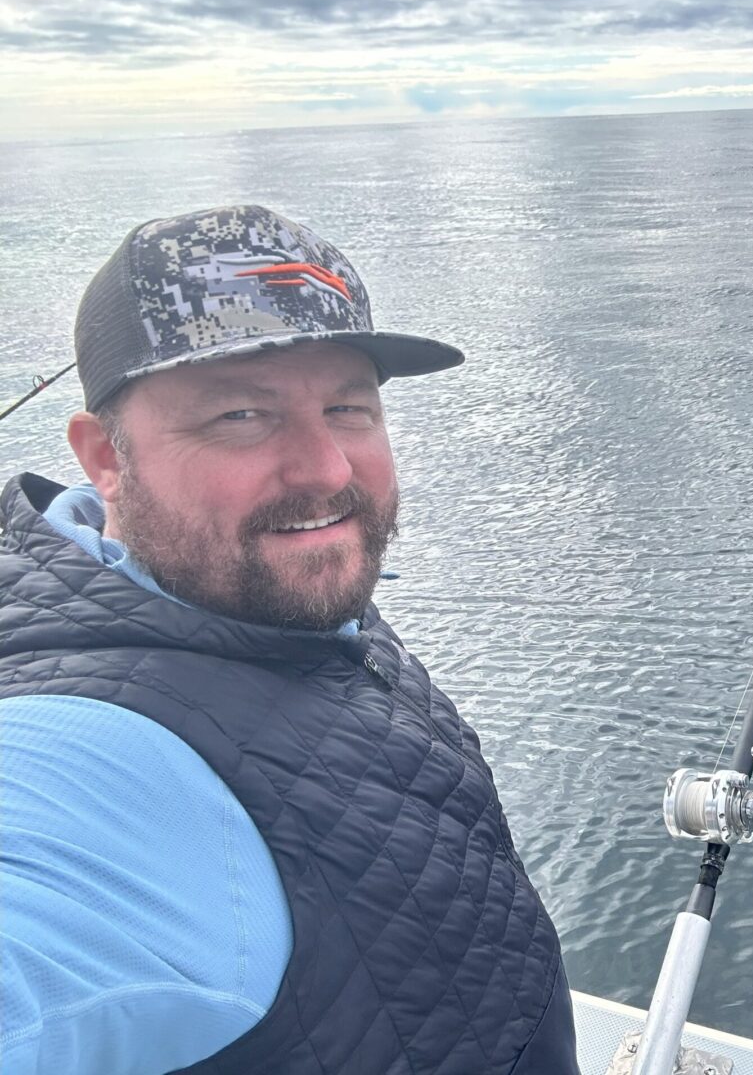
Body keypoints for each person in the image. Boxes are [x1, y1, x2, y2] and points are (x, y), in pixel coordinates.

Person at [0, 205, 579, 1074]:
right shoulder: (72, 764)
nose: (327, 470)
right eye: (241, 414)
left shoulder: (262, 596)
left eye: (348, 407)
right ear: (105, 458)